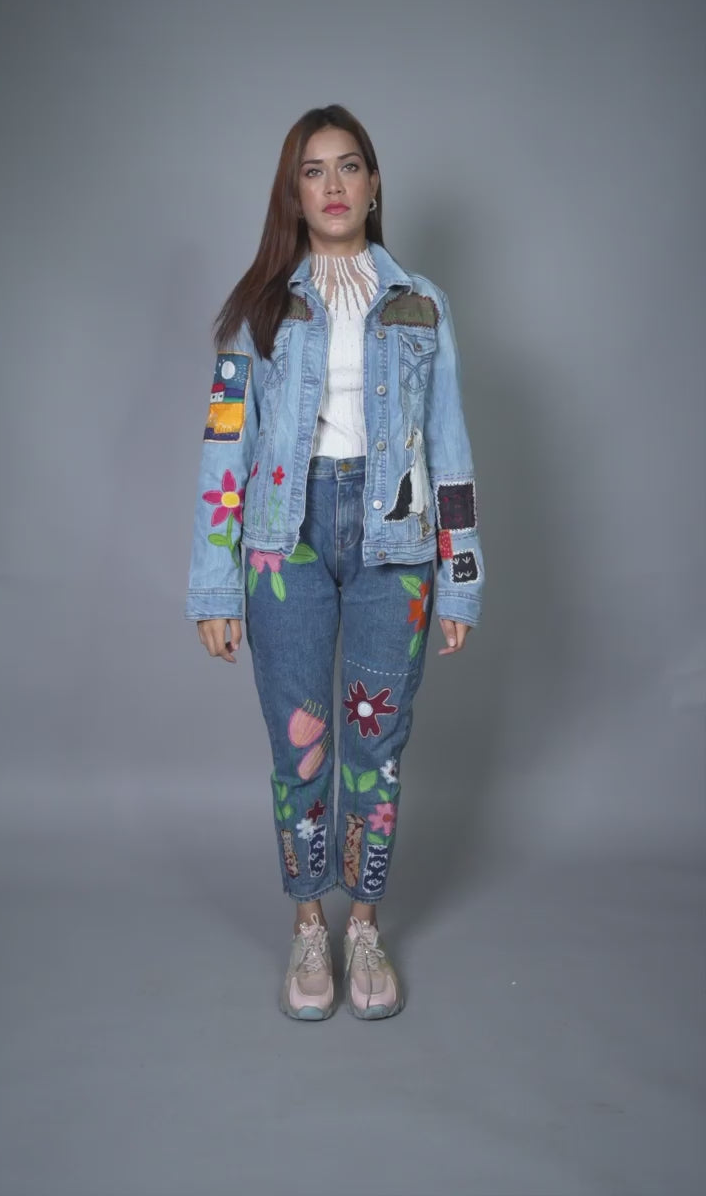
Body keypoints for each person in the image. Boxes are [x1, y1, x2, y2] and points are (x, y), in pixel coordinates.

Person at [185, 104, 485, 1021]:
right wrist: (214, 581)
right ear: (294, 193)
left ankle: (365, 925)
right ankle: (309, 923)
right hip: (286, 541)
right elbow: (224, 446)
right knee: (301, 742)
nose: (334, 185)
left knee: (377, 748)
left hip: (399, 542)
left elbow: (450, 448)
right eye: (313, 171)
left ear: (374, 183)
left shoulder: (421, 302)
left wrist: (461, 576)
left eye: (349, 166)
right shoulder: (259, 307)